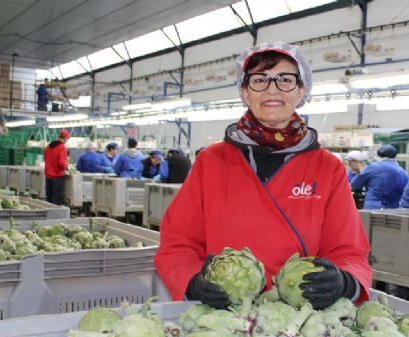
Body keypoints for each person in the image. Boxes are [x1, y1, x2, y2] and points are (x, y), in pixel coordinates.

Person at [154, 41, 371, 310]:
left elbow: (348, 249)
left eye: (285, 80)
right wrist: (192, 281)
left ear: (301, 91)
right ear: (245, 92)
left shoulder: (327, 168)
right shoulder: (211, 162)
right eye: (260, 80)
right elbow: (178, 242)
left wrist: (344, 282)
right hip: (222, 316)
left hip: (297, 323)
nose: (272, 89)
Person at [350, 144, 408, 209]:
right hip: (393, 209)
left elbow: (354, 185)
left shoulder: (372, 167)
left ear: (379, 155)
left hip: (374, 208)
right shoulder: (402, 172)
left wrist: (361, 170)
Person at [44, 129, 70, 205]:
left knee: (49, 199)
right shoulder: (62, 147)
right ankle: (55, 215)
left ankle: (48, 215)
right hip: (57, 177)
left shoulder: (48, 146)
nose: (66, 141)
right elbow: (61, 163)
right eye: (67, 139)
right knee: (56, 200)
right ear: (65, 138)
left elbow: (45, 159)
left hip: (48, 176)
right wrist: (67, 167)